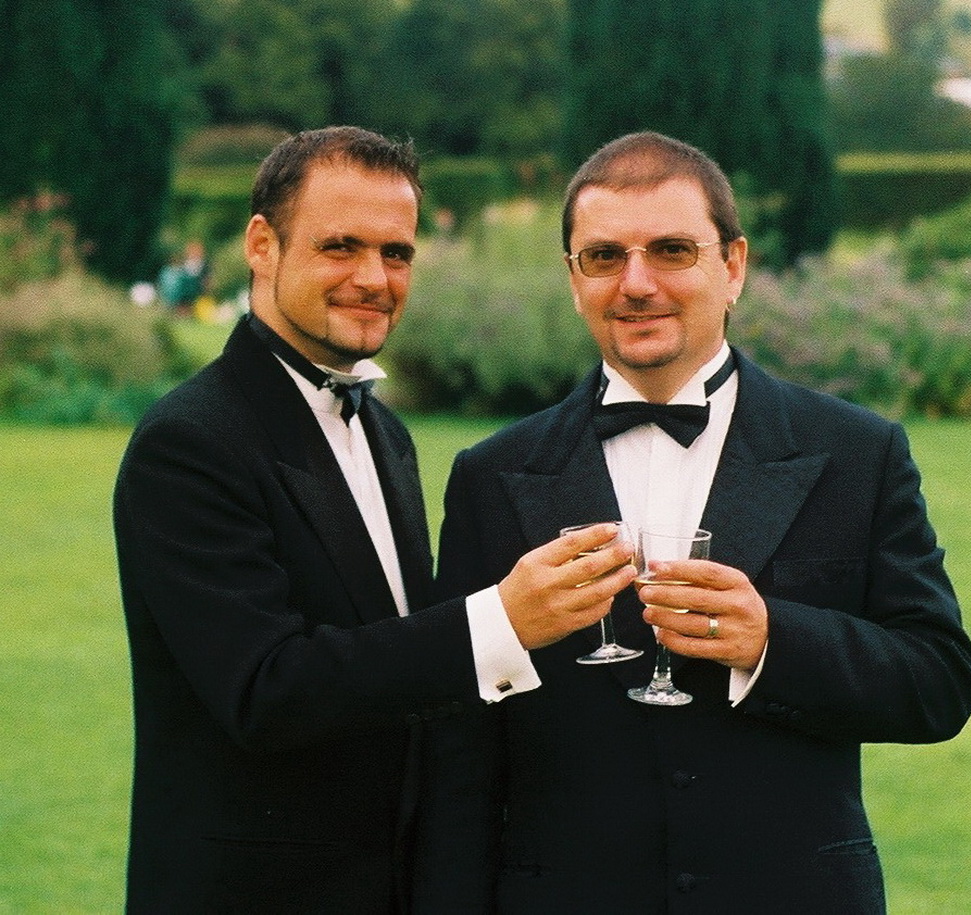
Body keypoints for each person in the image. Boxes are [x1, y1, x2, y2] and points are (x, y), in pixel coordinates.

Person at [412, 132, 971, 913]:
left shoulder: (857, 452)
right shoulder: (491, 474)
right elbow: (458, 744)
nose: (636, 283)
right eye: (604, 256)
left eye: (672, 250)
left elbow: (940, 682)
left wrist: (771, 640)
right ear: (574, 280)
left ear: (733, 266)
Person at [113, 126, 634, 914]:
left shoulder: (384, 432)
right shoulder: (189, 443)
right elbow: (267, 688)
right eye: (340, 247)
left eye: (396, 252)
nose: (373, 277)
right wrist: (499, 621)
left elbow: (393, 670)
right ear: (262, 244)